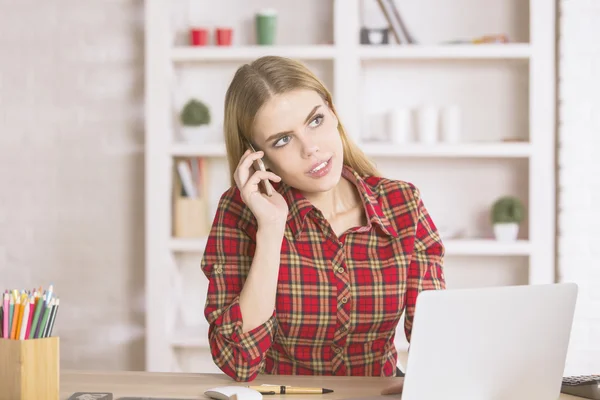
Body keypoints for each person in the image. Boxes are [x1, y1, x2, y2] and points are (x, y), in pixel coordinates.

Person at [200, 55, 446, 383]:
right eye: (283, 140)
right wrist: (271, 230)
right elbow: (239, 362)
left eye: (315, 121)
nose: (311, 149)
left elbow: (436, 345)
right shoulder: (239, 213)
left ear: (333, 112)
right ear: (258, 158)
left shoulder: (403, 205)